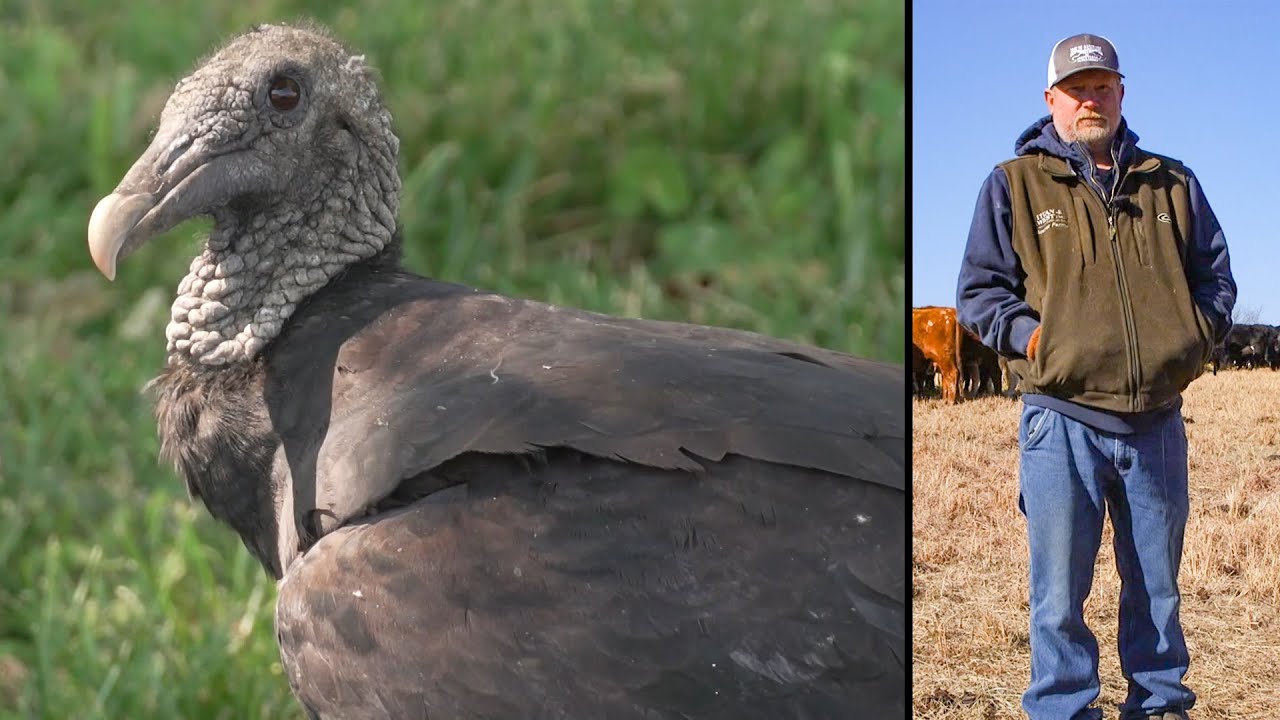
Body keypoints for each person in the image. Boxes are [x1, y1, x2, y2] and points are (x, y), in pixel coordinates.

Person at [955, 33, 1236, 720]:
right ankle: (1063, 707)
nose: (1090, 99)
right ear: (1051, 98)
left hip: (1157, 421)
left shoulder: (1173, 182)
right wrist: (1039, 342)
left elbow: (1217, 280)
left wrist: (1190, 343)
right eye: (1076, 89)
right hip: (1061, 419)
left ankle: (1162, 704)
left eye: (1102, 86)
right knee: (1058, 591)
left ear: (1121, 92)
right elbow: (981, 293)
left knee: (1159, 590)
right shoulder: (1013, 184)